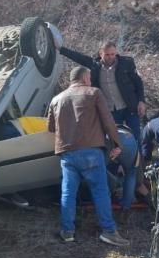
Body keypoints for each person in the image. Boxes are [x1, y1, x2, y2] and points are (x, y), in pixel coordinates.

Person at [47, 66, 131, 246]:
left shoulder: (56, 99)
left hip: (67, 153)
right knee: (100, 192)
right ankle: (109, 231)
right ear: (85, 78)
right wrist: (117, 143)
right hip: (91, 151)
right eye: (90, 77)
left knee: (68, 193)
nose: (91, 81)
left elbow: (51, 128)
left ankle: (67, 231)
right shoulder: (93, 93)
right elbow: (108, 121)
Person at [59, 41, 147, 140]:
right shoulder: (95, 65)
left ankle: (140, 155)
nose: (110, 57)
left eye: (113, 54)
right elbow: (78, 57)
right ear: (101, 54)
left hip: (129, 106)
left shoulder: (126, 63)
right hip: (110, 110)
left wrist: (141, 101)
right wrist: (59, 48)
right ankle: (122, 155)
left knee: (135, 136)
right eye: (107, 54)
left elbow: (138, 82)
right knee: (116, 139)